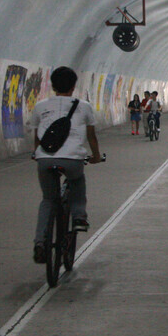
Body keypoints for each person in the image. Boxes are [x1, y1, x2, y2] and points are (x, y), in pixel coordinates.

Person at [29, 66, 102, 262]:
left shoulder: (40, 106)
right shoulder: (84, 106)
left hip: (45, 159)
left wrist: (37, 154)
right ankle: (79, 217)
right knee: (77, 181)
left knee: (48, 199)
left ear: (52, 86)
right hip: (72, 159)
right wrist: (96, 156)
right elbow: (91, 136)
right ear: (73, 86)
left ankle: (40, 243)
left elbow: (37, 137)